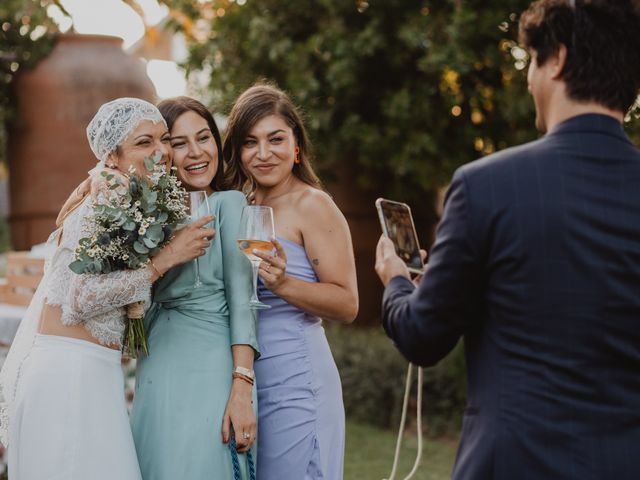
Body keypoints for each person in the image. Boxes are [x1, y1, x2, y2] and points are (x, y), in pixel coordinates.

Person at [375, 1, 640, 479]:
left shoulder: (486, 186)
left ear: (555, 58)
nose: (528, 79)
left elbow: (423, 335)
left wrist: (396, 280)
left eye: (531, 62)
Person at [0, 97, 214, 479]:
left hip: (96, 374)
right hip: (69, 376)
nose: (161, 151)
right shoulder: (103, 201)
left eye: (163, 139)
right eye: (144, 142)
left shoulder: (129, 198)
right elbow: (80, 299)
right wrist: (162, 261)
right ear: (112, 156)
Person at [223, 83, 358, 480]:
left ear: (296, 145)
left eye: (276, 139)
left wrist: (284, 284)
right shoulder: (242, 205)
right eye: (251, 142)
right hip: (248, 378)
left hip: (296, 379)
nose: (264, 154)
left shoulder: (313, 204)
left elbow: (348, 304)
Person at [130, 96, 259, 479]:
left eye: (203, 138)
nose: (195, 152)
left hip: (211, 367)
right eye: (179, 142)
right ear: (162, 150)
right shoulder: (142, 214)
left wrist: (241, 386)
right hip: (157, 363)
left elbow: (243, 301)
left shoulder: (228, 204)